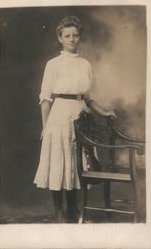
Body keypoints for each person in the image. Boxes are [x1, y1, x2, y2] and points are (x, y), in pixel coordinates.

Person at [34, 16, 116, 223]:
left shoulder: (85, 64)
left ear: (79, 37)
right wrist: (45, 126)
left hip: (81, 116)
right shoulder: (53, 64)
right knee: (60, 160)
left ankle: (74, 208)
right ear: (60, 38)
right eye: (67, 36)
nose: (72, 39)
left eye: (75, 35)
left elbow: (88, 98)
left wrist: (104, 113)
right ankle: (59, 210)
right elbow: (45, 98)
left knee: (77, 162)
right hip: (60, 116)